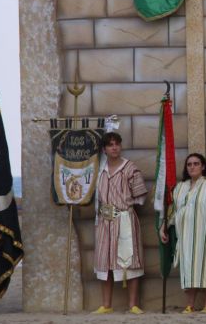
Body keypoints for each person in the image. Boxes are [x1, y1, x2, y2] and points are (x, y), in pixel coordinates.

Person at [92, 132, 147, 314]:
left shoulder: (130, 168)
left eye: (117, 144)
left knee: (130, 261)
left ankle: (133, 304)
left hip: (124, 220)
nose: (114, 147)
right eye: (110, 145)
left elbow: (140, 198)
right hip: (105, 222)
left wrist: (125, 209)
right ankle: (106, 305)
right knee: (104, 261)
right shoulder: (99, 170)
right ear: (105, 149)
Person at [160, 153, 206, 314]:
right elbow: (174, 212)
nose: (192, 167)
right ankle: (190, 304)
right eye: (189, 164)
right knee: (188, 269)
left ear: (203, 166)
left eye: (196, 163)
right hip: (186, 236)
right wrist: (164, 227)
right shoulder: (181, 187)